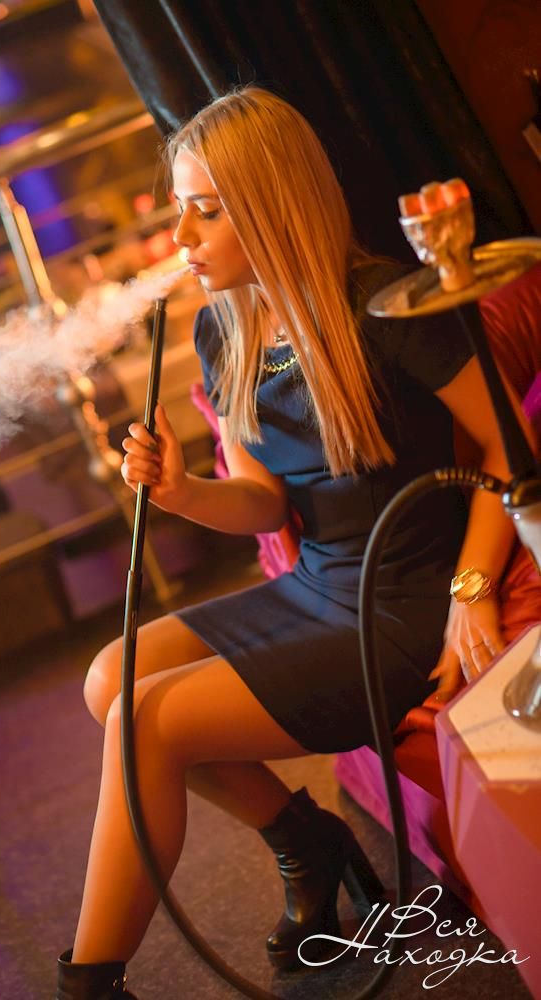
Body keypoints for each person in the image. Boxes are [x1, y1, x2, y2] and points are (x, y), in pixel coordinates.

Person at [55, 86, 529, 999]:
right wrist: (180, 491)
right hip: (315, 585)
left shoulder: (384, 306)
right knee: (109, 679)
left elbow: (512, 451)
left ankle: (89, 986)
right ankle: (305, 842)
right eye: (180, 211)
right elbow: (267, 506)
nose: (181, 239)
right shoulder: (223, 327)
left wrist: (473, 588)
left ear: (272, 207)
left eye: (206, 212)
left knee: (143, 721)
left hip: (398, 612)